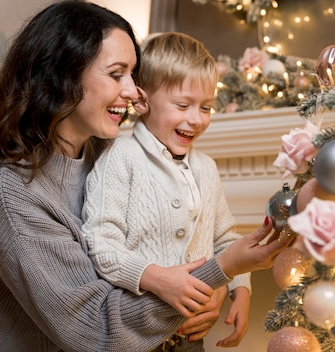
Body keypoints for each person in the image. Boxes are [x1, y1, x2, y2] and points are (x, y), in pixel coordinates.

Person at [0, 1, 291, 351]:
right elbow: (94, 328)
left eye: (133, 75)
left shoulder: (109, 152)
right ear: (62, 76)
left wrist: (215, 290)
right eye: (117, 74)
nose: (134, 92)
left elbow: (188, 241)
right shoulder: (11, 191)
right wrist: (219, 270)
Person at [82, 31, 252, 351]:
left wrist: (240, 291)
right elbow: (100, 242)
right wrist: (155, 277)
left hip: (191, 339)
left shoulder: (207, 169)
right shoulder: (120, 157)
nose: (196, 120)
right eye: (183, 105)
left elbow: (226, 239)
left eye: (206, 107)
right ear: (143, 101)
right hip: (136, 338)